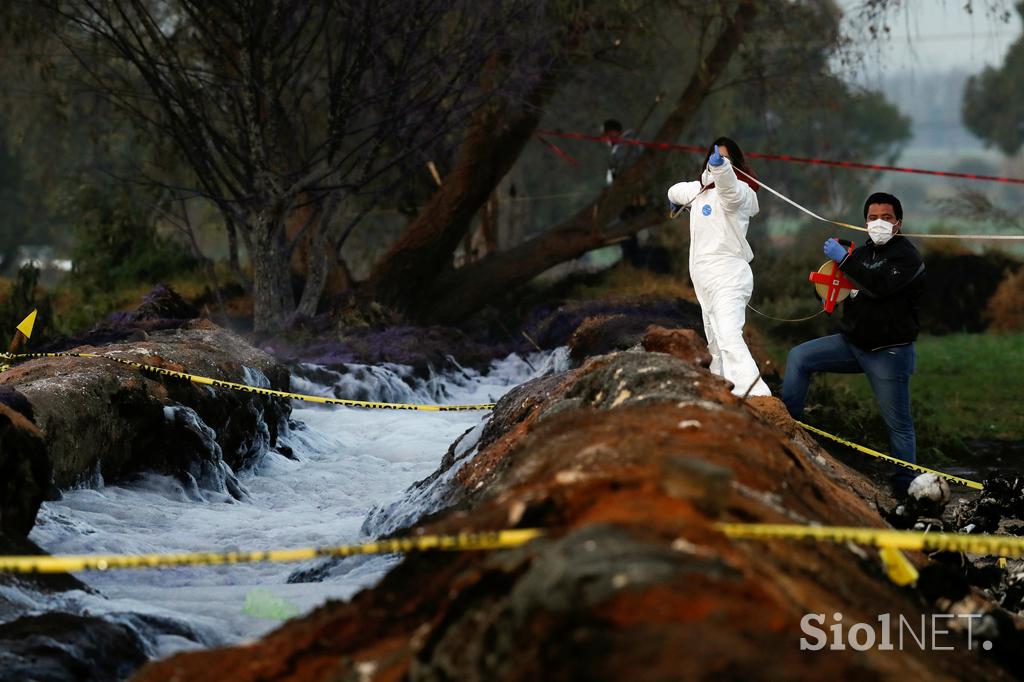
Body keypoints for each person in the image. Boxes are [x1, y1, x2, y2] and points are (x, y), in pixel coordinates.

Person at [781, 192, 926, 496]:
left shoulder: (907, 257)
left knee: (898, 425)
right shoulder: (861, 253)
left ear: (898, 223)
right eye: (873, 218)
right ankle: (786, 431)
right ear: (865, 222)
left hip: (889, 352)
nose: (879, 223)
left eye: (886, 218)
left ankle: (905, 490)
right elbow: (838, 289)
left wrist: (845, 259)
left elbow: (879, 285)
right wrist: (826, 285)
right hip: (852, 344)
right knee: (799, 358)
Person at [666, 137, 770, 397]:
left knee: (728, 335)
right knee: (714, 342)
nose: (721, 163)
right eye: (716, 158)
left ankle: (756, 396)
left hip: (730, 276)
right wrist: (680, 197)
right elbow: (674, 190)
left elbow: (729, 191)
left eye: (727, 159)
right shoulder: (699, 190)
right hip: (704, 279)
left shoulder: (743, 193)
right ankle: (724, 391)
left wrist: (721, 168)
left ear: (736, 164)